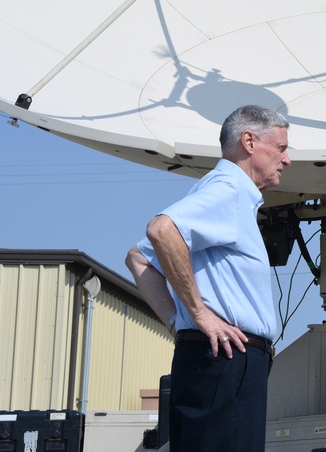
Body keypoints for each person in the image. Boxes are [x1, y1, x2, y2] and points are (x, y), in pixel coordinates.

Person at [125, 104, 291, 452]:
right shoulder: (229, 191)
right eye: (281, 148)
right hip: (228, 362)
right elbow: (161, 229)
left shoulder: (217, 191)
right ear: (249, 141)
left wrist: (177, 322)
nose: (286, 159)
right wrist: (198, 315)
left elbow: (138, 258)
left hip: (210, 361)